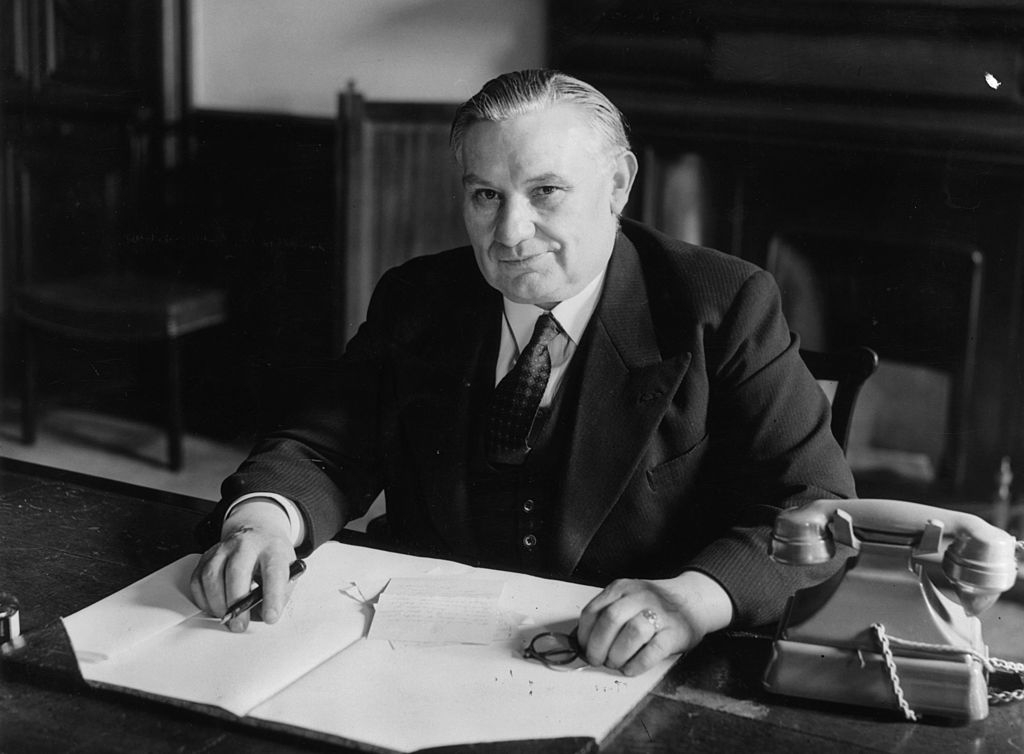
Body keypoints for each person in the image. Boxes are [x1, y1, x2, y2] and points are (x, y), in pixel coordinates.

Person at [190, 69, 855, 676]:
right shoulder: (417, 297)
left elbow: (814, 504)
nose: (509, 232)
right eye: (486, 195)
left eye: (546, 192)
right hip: (419, 655)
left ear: (618, 185)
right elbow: (324, 446)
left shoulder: (722, 302)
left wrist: (692, 600)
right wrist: (264, 523)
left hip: (624, 663)